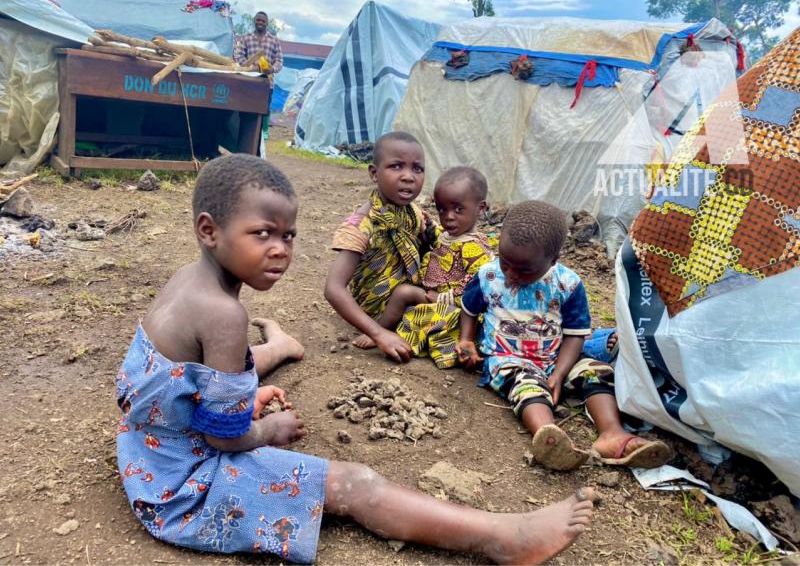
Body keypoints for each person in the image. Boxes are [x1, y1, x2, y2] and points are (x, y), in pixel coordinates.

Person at [115, 153, 596, 564]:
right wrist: (263, 431)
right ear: (209, 230)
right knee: (354, 484)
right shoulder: (223, 316)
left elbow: (172, 380)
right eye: (263, 233)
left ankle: (280, 346)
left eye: (289, 235)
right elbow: (225, 439)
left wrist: (238, 401)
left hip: (145, 446)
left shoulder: (187, 283)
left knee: (245, 375)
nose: (281, 250)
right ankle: (503, 540)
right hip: (179, 486)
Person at [457, 200, 673, 471]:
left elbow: (574, 335)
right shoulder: (488, 275)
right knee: (527, 385)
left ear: (553, 260)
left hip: (556, 357)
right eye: (505, 262)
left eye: (524, 270)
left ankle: (612, 433)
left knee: (597, 370)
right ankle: (548, 436)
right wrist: (466, 339)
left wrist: (559, 373)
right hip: (508, 358)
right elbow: (469, 309)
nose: (510, 274)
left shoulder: (567, 285)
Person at [353, 166, 495, 369]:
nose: (449, 217)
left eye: (458, 209)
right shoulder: (450, 235)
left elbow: (476, 288)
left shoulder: (475, 248)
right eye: (442, 209)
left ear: (480, 209)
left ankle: (378, 331)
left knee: (404, 293)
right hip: (435, 292)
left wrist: (443, 298)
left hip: (459, 306)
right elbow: (439, 246)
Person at [324, 131, 435, 362]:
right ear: (374, 173)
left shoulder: (412, 214)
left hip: (407, 295)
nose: (408, 177)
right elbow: (333, 289)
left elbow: (425, 249)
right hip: (374, 311)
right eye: (396, 166)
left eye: (417, 169)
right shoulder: (362, 226)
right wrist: (378, 332)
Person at [233, 11, 283, 137]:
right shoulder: (246, 37)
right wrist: (250, 67)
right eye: (258, 20)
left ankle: (263, 132)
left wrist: (272, 69)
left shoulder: (274, 40)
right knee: (246, 108)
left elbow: (279, 60)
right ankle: (244, 132)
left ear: (267, 23)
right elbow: (238, 56)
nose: (260, 23)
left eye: (263, 21)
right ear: (254, 21)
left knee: (264, 108)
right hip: (249, 80)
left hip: (267, 81)